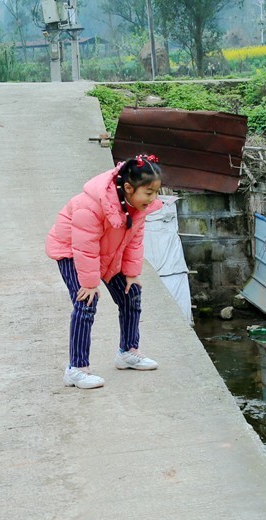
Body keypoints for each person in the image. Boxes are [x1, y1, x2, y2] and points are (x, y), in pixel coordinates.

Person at [46, 153, 164, 389]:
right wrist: (90, 284)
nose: (153, 199)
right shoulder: (89, 206)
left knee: (131, 293)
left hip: (106, 248)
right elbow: (84, 247)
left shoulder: (138, 207)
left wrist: (131, 272)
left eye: (156, 193)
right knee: (86, 301)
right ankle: (76, 369)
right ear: (129, 188)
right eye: (149, 193)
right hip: (72, 251)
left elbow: (134, 239)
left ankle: (128, 352)